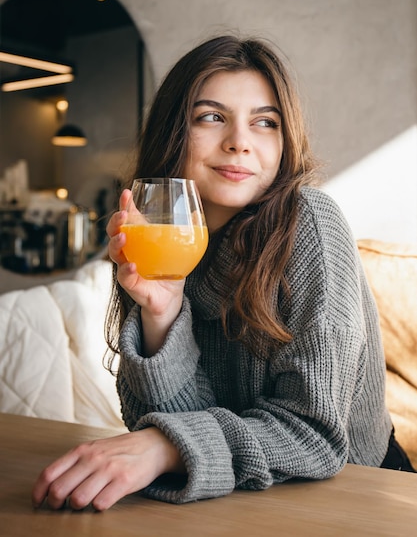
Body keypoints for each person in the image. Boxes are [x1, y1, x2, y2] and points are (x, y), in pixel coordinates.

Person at [32, 34, 415, 512]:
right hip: (232, 495)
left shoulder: (310, 224)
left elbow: (316, 436)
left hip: (355, 493)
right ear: (175, 130)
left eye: (265, 122)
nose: (239, 143)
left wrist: (165, 446)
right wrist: (163, 310)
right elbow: (164, 419)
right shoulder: (154, 233)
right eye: (211, 117)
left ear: (284, 140)